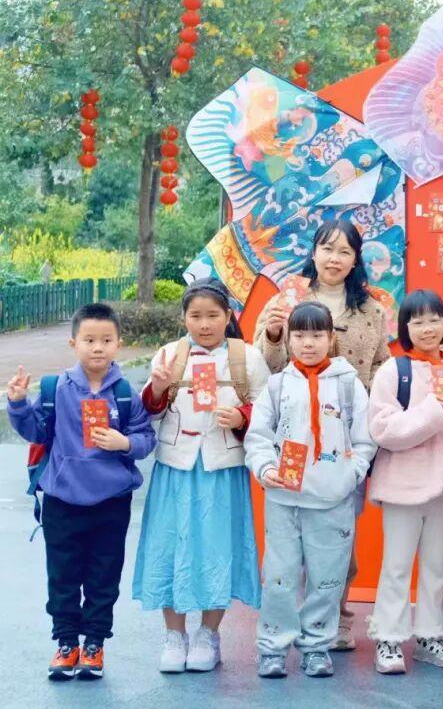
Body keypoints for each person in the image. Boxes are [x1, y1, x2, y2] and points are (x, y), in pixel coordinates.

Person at [253, 219, 389, 650]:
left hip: (344, 437)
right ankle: (287, 623)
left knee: (338, 535)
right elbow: (263, 365)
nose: (335, 258)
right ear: (313, 253)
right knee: (287, 541)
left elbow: (382, 365)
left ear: (355, 259)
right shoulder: (287, 300)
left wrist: (368, 417)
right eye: (328, 249)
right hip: (294, 439)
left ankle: (335, 616)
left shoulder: (373, 310)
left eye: (345, 251)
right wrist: (274, 333)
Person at [7, 303, 156, 681]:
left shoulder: (125, 393)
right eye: (89, 340)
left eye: (106, 340)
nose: (98, 347)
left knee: (104, 576)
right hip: (62, 500)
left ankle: (94, 644)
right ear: (74, 343)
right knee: (62, 576)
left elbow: (145, 437)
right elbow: (36, 432)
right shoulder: (55, 388)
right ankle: (65, 643)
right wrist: (18, 404)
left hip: (111, 502)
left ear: (119, 343)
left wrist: (125, 443)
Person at [134, 278, 270, 673]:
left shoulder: (248, 358)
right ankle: (174, 635)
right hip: (175, 467)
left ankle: (209, 633)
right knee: (169, 547)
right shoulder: (169, 354)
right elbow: (149, 411)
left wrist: (242, 417)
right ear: (184, 318)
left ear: (228, 316)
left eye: (213, 315)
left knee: (217, 549)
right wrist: (158, 388)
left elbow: (268, 409)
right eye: (196, 316)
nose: (205, 324)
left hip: (222, 469)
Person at [245, 302, 376, 679]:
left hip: (333, 498)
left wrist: (350, 474)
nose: (308, 343)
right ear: (289, 339)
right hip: (284, 499)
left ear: (331, 338)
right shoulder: (277, 385)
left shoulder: (349, 384)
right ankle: (273, 646)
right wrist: (266, 468)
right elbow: (259, 436)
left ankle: (317, 645)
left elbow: (365, 440)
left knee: (327, 578)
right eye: (300, 335)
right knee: (280, 575)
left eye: (317, 335)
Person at [366, 290, 443, 674]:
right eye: (418, 321)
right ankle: (389, 639)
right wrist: (433, 412)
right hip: (403, 487)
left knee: (436, 567)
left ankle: (430, 636)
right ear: (405, 327)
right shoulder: (394, 371)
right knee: (396, 566)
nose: (428, 328)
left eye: (435, 320)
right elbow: (383, 429)